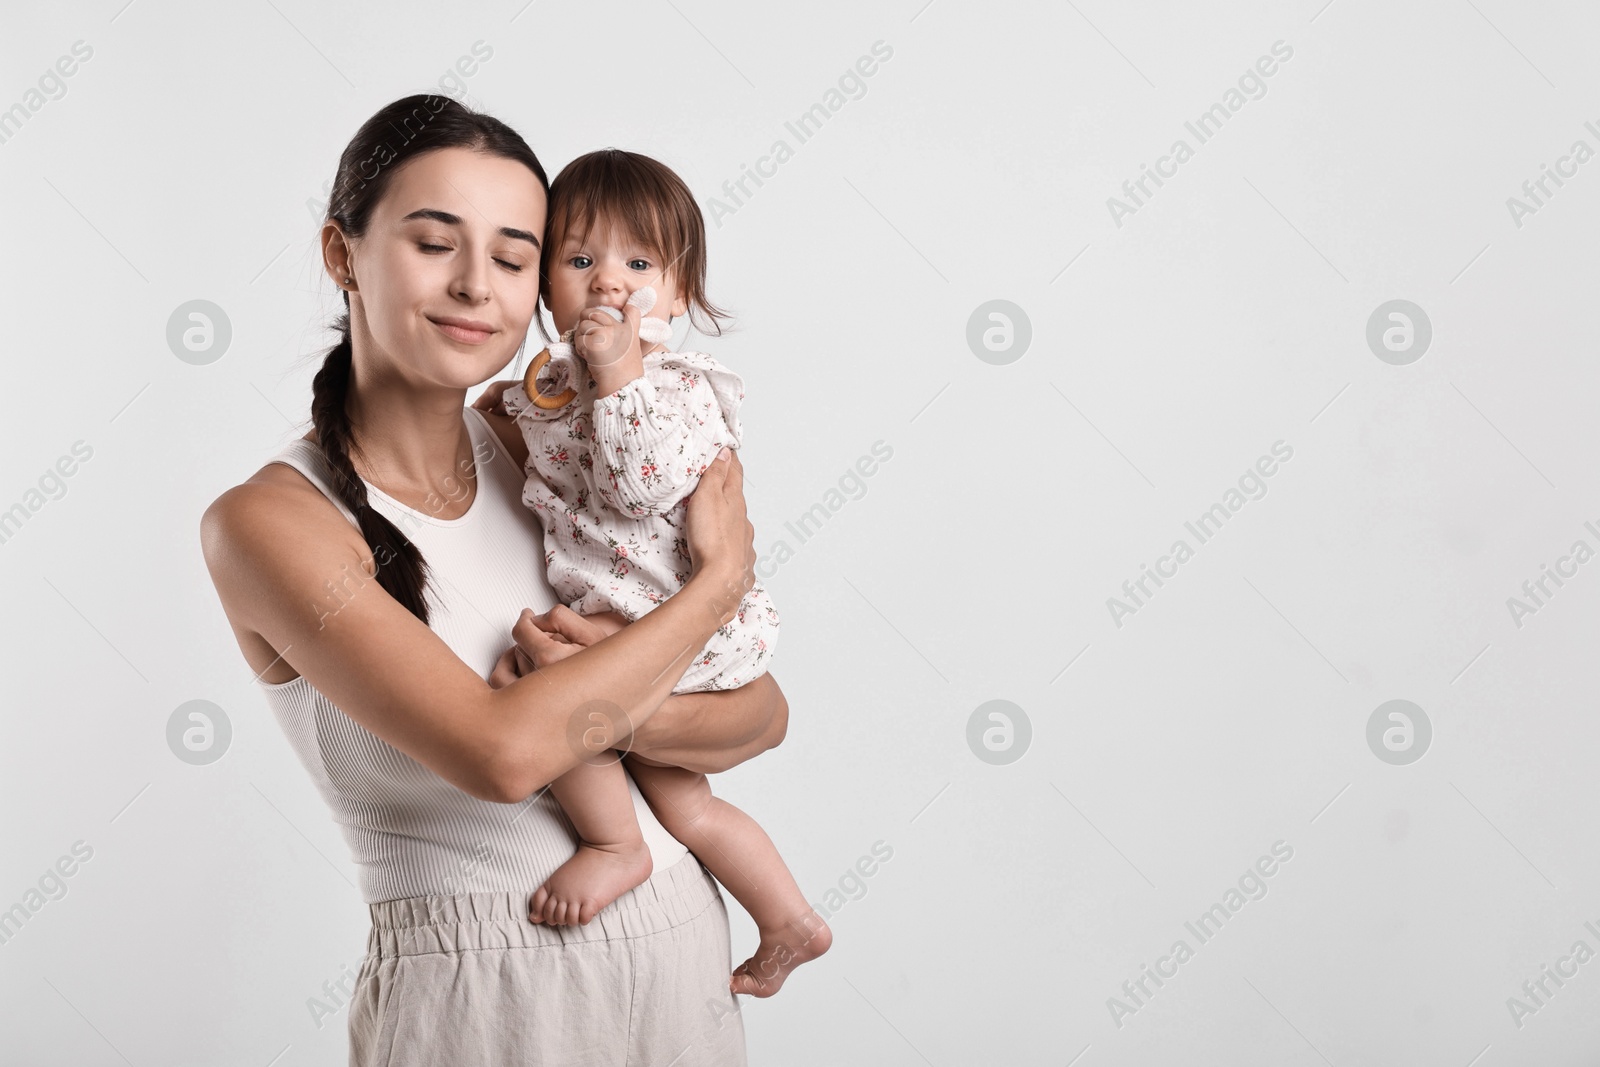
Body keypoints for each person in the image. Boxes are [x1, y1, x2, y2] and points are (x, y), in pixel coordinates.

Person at [199, 94, 782, 1066]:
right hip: (493, 1002)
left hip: (685, 963)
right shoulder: (274, 521)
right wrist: (713, 589)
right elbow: (503, 752)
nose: (477, 285)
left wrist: (625, 695)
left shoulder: (556, 456)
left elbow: (760, 712)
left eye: (514, 257)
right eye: (435, 243)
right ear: (343, 254)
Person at [474, 148, 829, 997]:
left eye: (639, 265)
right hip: (638, 613)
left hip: (679, 618)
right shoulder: (554, 381)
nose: (609, 285)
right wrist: (510, 423)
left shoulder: (670, 385)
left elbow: (634, 488)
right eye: (582, 260)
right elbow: (553, 477)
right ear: (543, 289)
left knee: (540, 675)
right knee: (689, 805)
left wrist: (619, 370)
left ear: (678, 296)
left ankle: (612, 845)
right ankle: (790, 918)